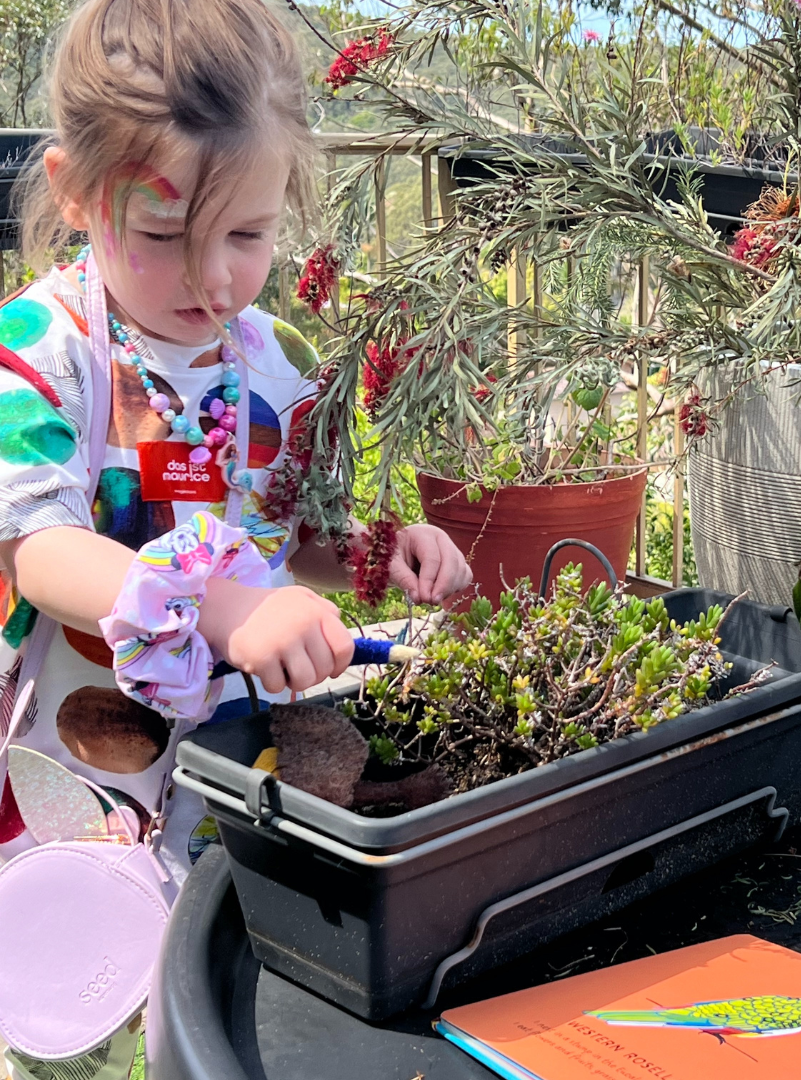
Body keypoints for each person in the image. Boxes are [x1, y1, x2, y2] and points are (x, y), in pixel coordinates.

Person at [0, 1, 470, 1075]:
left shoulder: (273, 360)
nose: (214, 279)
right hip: (83, 765)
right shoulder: (40, 350)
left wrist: (370, 553)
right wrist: (218, 606)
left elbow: (293, 536)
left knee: (222, 1005)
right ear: (76, 190)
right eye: (166, 237)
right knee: (87, 1011)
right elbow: (37, 549)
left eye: (249, 237)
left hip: (239, 769)